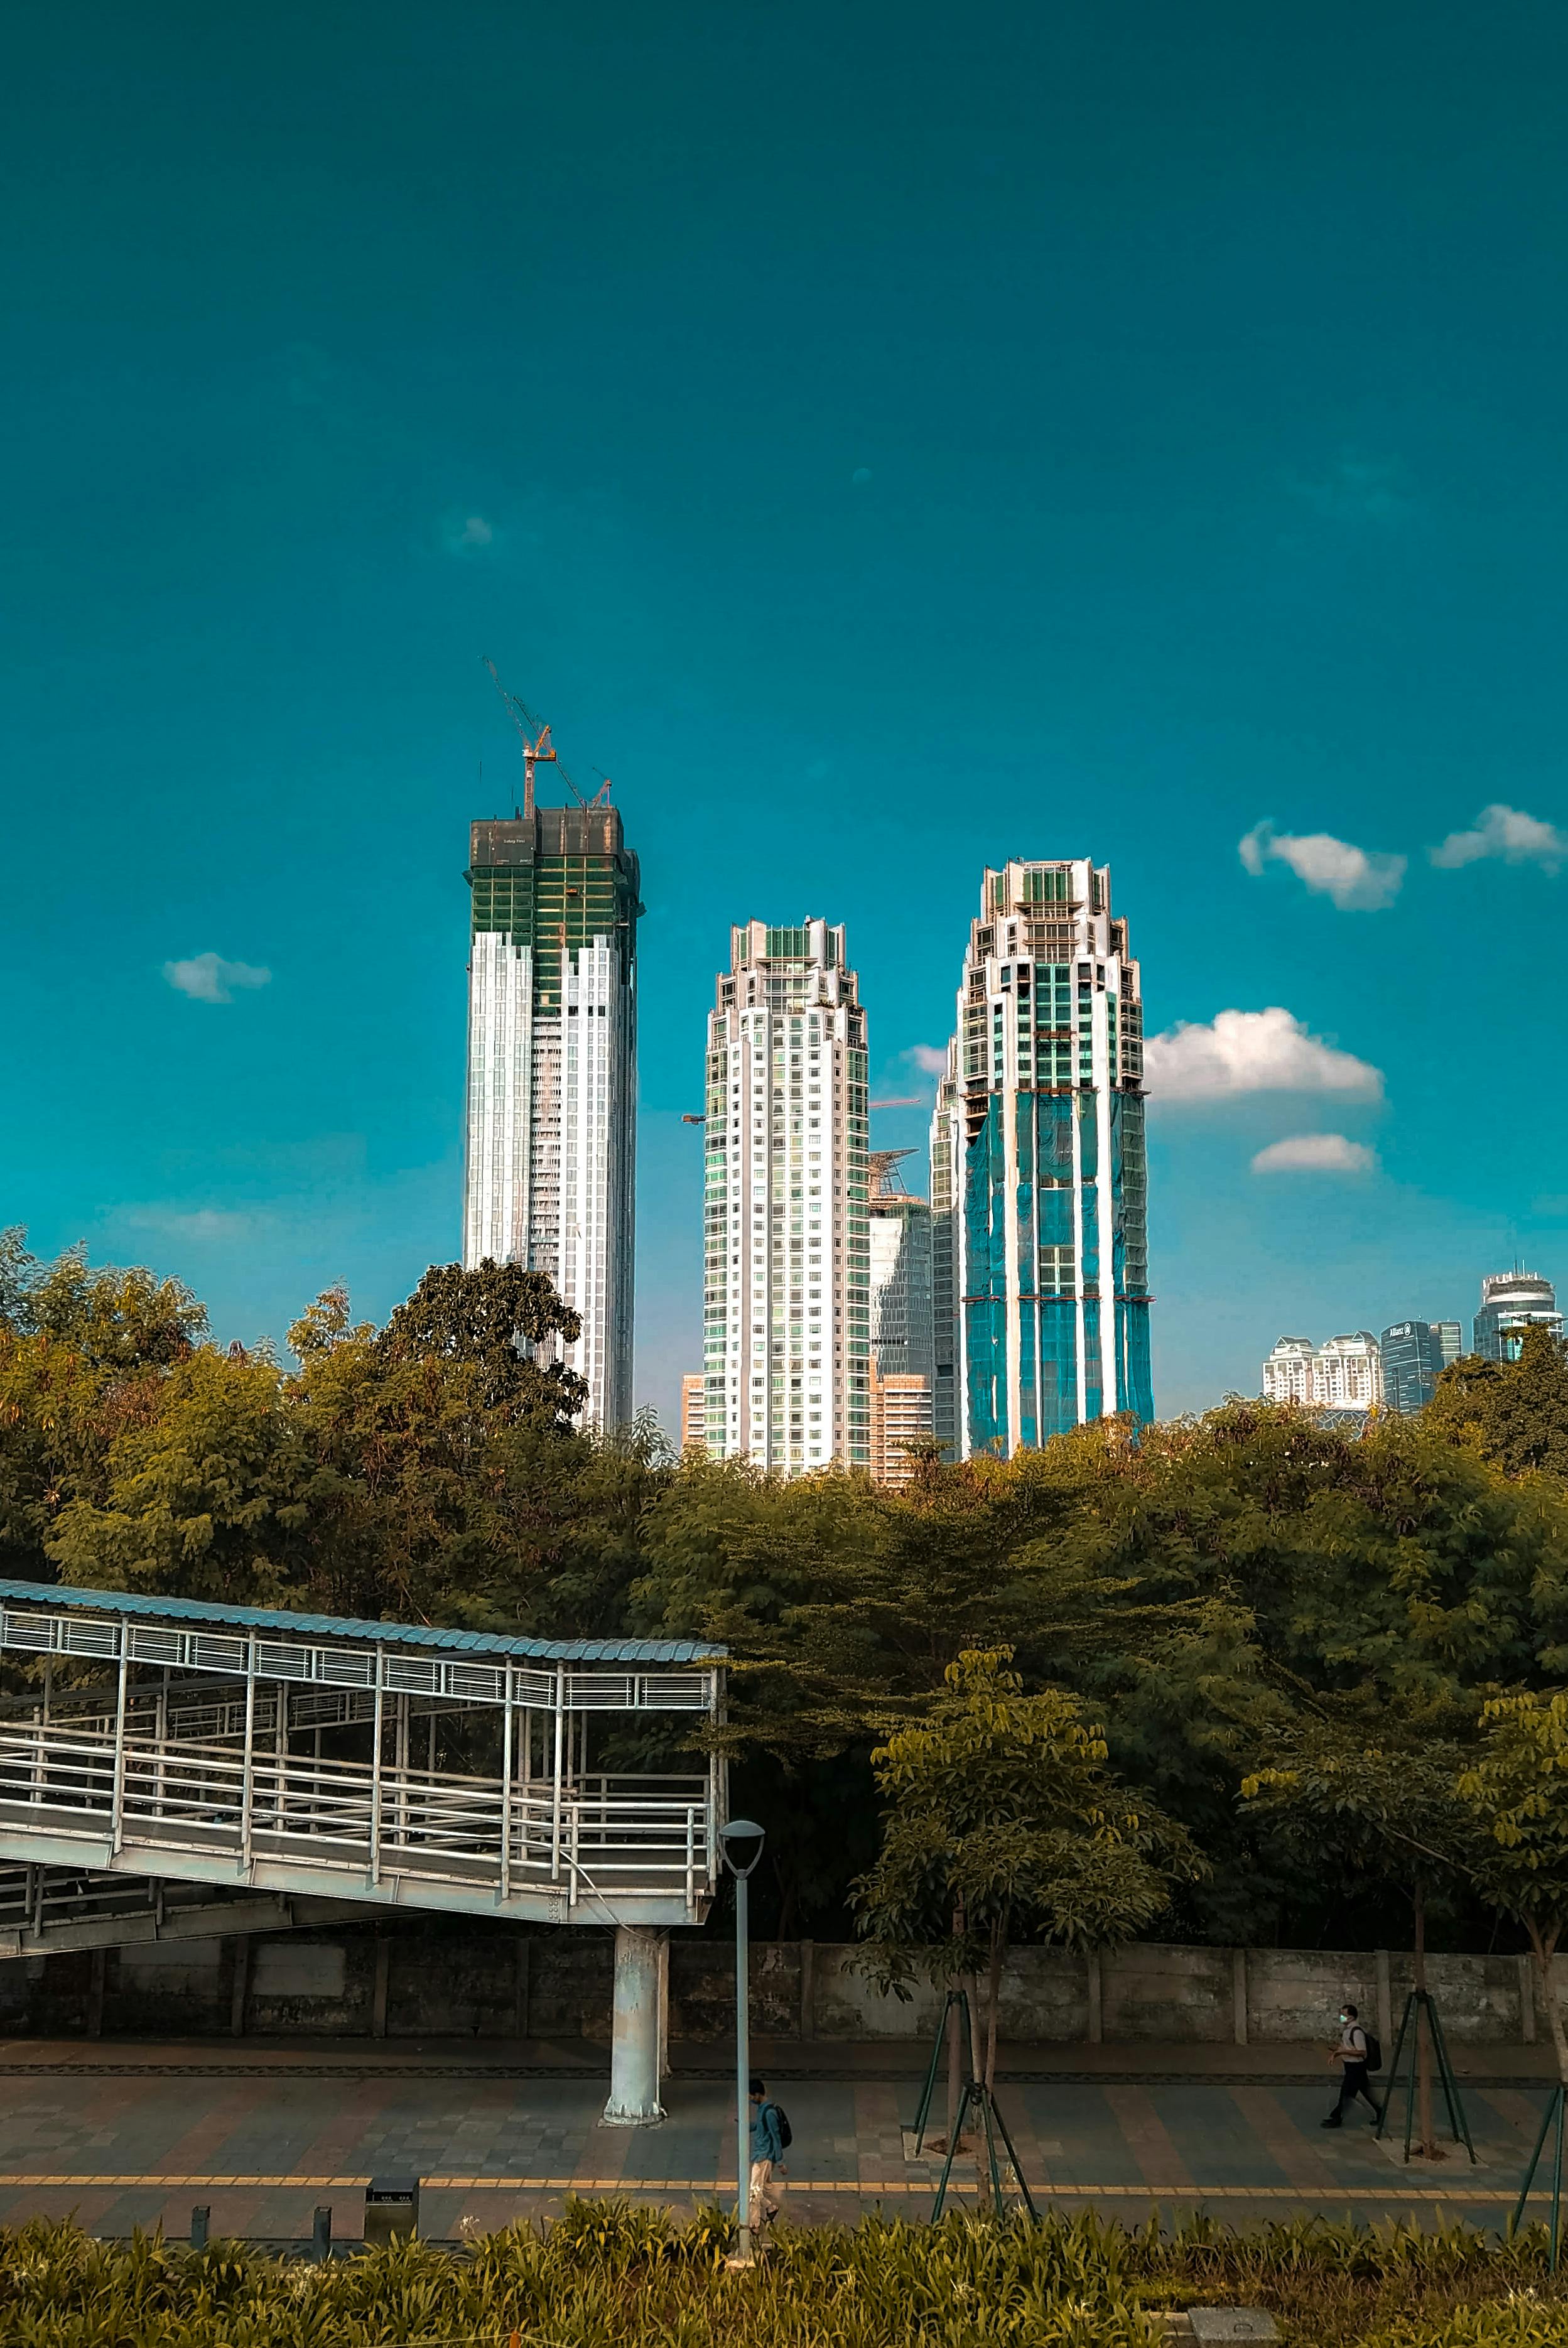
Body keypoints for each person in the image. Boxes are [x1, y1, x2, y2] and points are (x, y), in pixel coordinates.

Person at [1321, 2001, 1379, 2128]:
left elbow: (1362, 2052)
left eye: (1343, 2014)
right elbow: (1346, 2047)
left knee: (1346, 2094)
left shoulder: (1356, 2032)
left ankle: (1336, 2118)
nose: (1341, 2017)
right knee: (1364, 2091)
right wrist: (1336, 2053)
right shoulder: (1348, 2030)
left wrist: (1343, 2051)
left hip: (1356, 2068)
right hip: (1351, 2067)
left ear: (1351, 2017)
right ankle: (1379, 2111)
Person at [748, 2077, 786, 2231]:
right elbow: (761, 2126)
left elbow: (776, 2137)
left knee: (754, 2191)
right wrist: (747, 2126)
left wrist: (781, 2162)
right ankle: (771, 2208)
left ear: (757, 2095)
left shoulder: (769, 2113)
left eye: (751, 2097)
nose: (750, 2099)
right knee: (759, 2187)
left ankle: (754, 2224)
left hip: (763, 2157)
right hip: (762, 2155)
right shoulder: (763, 2109)